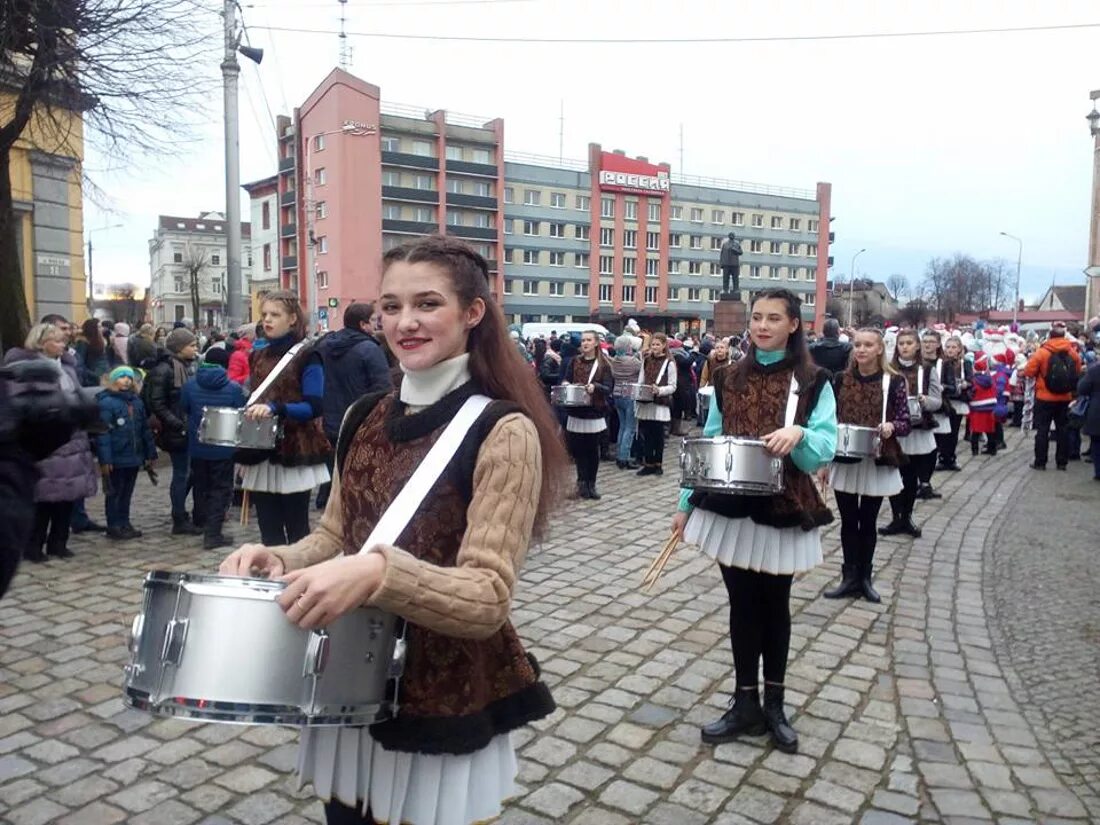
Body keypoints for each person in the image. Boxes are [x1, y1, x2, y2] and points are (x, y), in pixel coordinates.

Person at [218, 235, 564, 825]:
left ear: (471, 313)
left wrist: (379, 572)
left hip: (442, 691)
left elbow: (487, 597)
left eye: (428, 304)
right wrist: (282, 559)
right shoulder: (363, 415)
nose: (406, 322)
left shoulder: (504, 431)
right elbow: (334, 537)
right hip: (347, 679)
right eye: (392, 306)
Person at [672, 288, 837, 755]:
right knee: (741, 606)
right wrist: (686, 505)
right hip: (730, 505)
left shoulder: (813, 379)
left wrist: (799, 433)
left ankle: (776, 705)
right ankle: (745, 703)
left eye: (773, 318)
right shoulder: (726, 377)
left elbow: (824, 446)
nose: (762, 326)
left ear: (794, 324)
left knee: (775, 607)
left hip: (782, 506)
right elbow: (709, 442)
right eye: (757, 317)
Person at [238, 291, 331, 545]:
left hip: (294, 447)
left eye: (274, 315)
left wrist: (277, 408)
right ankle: (274, 579)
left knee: (297, 528)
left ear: (292, 319)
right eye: (265, 314)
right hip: (261, 446)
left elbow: (314, 406)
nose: (267, 320)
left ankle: (299, 579)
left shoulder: (308, 355)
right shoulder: (257, 354)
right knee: (268, 530)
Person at [824, 329, 909, 603]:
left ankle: (865, 577)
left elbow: (906, 422)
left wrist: (892, 426)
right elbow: (828, 420)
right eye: (858, 344)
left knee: (868, 521)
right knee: (848, 520)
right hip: (846, 458)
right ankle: (848, 576)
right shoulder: (840, 380)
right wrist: (824, 461)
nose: (861, 349)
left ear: (880, 349)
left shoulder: (894, 382)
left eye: (868, 345)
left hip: (877, 459)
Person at [3, 324, 99, 562]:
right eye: (56, 341)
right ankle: (34, 546)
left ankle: (59, 543)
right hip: (48, 444)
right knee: (44, 499)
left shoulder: (68, 367)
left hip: (72, 440)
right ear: (41, 342)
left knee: (67, 497)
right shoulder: (27, 370)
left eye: (62, 341)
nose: (62, 345)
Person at [315, 302, 394, 509]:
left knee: (333, 460)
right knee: (356, 467)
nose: (377, 325)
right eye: (374, 321)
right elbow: (383, 388)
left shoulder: (325, 345)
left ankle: (327, 501)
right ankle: (349, 506)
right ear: (363, 324)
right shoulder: (369, 349)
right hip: (359, 419)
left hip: (330, 417)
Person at [180, 347, 246, 549]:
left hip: (198, 445)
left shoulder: (190, 385)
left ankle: (200, 519)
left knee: (201, 485)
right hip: (223, 447)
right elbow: (240, 411)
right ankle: (213, 533)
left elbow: (184, 408)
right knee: (221, 489)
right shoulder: (233, 388)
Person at [880, 329, 941, 539]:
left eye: (909, 343)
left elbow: (938, 400)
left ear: (917, 346)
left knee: (911, 476)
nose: (904, 347)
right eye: (901, 343)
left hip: (917, 431)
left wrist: (925, 401)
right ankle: (897, 516)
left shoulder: (927, 369)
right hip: (895, 430)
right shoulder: (889, 369)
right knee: (894, 475)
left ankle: (907, 516)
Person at [147, 328, 201, 535]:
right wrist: (178, 424)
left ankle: (180, 512)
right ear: (179, 348)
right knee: (181, 473)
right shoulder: (165, 369)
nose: (196, 349)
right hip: (175, 430)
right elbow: (157, 404)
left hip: (186, 428)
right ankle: (179, 518)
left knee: (188, 472)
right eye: (192, 345)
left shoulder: (184, 367)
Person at [95, 366, 157, 540]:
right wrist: (105, 458)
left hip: (133, 455)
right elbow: (103, 432)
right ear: (114, 380)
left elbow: (144, 430)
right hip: (116, 454)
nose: (126, 381)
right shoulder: (106, 402)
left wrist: (149, 453)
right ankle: (113, 524)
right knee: (115, 492)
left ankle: (124, 521)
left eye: (129, 378)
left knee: (127, 492)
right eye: (122, 377)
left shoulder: (136, 401)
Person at [1021, 322, 1082, 470]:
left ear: (1049, 336)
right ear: (1064, 336)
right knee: (1063, 429)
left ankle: (1040, 462)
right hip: (1065, 398)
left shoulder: (1042, 352)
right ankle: (1062, 462)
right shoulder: (1072, 353)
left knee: (1043, 430)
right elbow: (1077, 372)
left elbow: (1029, 371)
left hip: (1044, 397)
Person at [563, 330, 613, 500]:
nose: (585, 343)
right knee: (579, 450)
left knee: (592, 450)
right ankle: (581, 483)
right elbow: (566, 379)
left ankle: (591, 483)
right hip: (577, 410)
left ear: (596, 343)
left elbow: (609, 388)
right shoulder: (574, 362)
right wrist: (566, 385)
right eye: (583, 340)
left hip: (593, 411)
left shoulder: (604, 364)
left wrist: (595, 387)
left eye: (588, 340)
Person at [635, 332, 677, 475]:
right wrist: (639, 391)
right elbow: (641, 379)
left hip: (659, 402)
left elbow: (673, 385)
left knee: (658, 435)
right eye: (653, 344)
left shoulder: (669, 363)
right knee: (646, 434)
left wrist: (660, 390)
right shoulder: (646, 360)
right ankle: (648, 463)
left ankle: (658, 464)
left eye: (658, 344)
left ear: (664, 345)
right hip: (646, 402)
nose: (654, 347)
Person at [917, 331, 949, 500]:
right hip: (920, 412)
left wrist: (945, 387)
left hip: (938, 409)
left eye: (931, 341)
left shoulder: (942, 363)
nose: (927, 344)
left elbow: (951, 383)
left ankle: (925, 481)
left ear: (937, 344)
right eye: (925, 341)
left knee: (932, 447)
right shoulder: (917, 364)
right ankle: (917, 481)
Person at [936, 335, 971, 471]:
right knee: (943, 430)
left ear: (959, 349)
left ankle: (951, 458)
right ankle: (942, 457)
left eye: (953, 347)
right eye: (948, 347)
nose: (950, 350)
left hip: (958, 401)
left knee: (954, 431)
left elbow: (970, 379)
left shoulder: (964, 363)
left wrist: (965, 384)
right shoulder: (942, 363)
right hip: (946, 399)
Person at [609, 334, 641, 469]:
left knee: (622, 427)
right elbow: (642, 370)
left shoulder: (614, 360)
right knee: (630, 427)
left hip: (617, 394)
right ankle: (624, 457)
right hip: (630, 394)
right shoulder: (633, 362)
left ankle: (619, 455)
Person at [73, 318, 118, 386]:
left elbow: (106, 359)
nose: (102, 329)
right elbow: (80, 362)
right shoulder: (83, 342)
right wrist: (93, 375)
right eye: (99, 327)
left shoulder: (101, 341)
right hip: (93, 378)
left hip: (106, 375)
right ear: (92, 329)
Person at [1075, 359, 1100, 480]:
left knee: (1097, 441)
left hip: (1097, 411)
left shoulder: (1095, 370)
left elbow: (1082, 388)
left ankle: (1099, 472)